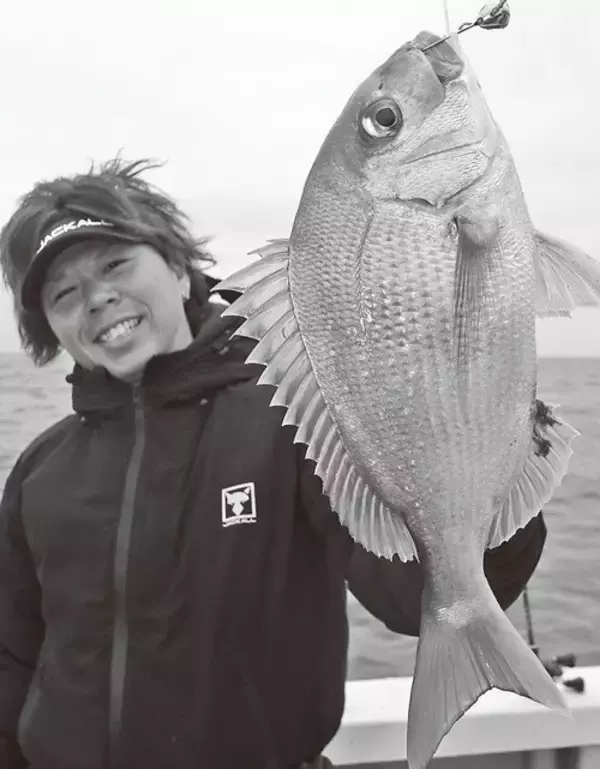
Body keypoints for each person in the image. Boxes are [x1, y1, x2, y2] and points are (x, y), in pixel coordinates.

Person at [0, 158, 548, 769]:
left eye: (114, 265)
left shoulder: (295, 419)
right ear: (50, 326)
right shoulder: (39, 471)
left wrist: (493, 443)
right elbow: (12, 653)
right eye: (64, 293)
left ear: (180, 270)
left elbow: (409, 591)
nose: (97, 298)